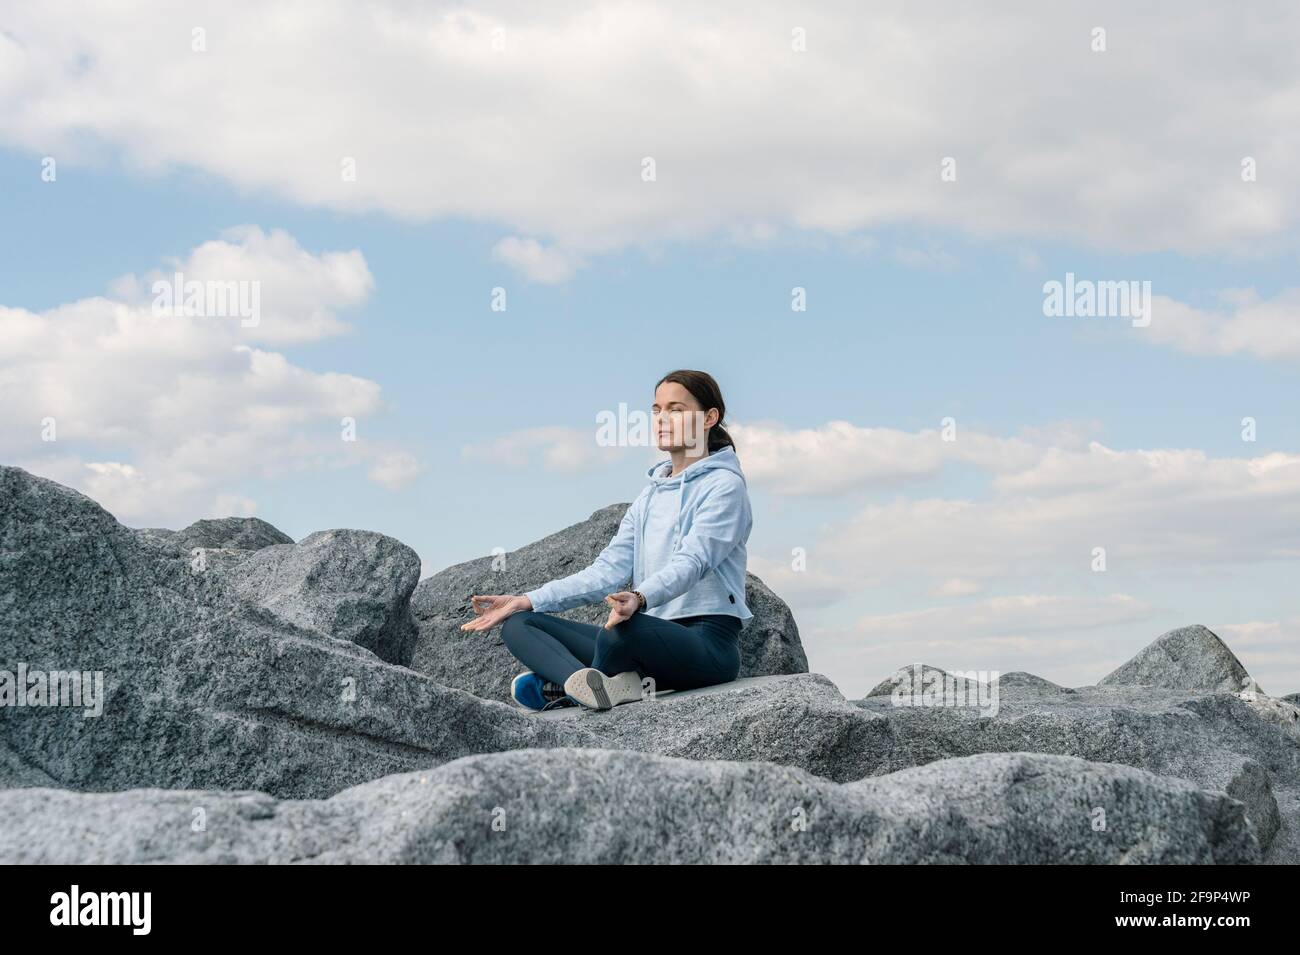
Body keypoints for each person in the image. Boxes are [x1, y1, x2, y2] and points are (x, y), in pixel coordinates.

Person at [460, 369, 753, 712]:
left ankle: (562, 688)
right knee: (520, 623)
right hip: (646, 638)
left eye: (676, 410)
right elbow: (606, 571)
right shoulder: (649, 497)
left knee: (624, 631)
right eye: (656, 410)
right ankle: (589, 686)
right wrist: (527, 599)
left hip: (704, 643)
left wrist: (641, 598)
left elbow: (693, 561)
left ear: (709, 418)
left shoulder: (725, 487)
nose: (662, 419)